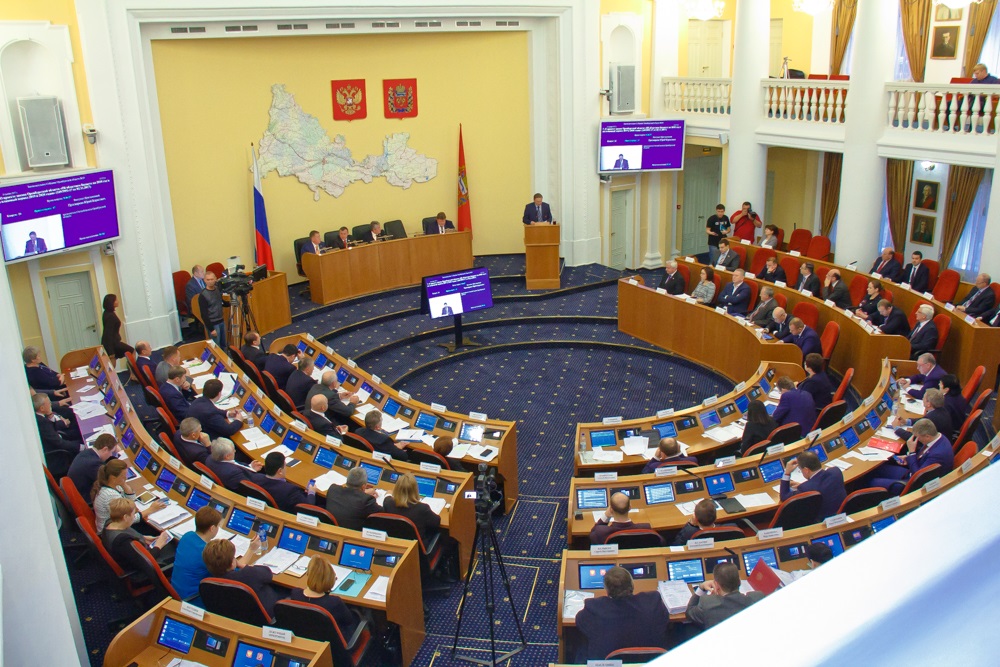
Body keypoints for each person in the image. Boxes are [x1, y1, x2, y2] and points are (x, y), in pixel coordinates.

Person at [574, 566, 669, 661]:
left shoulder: (594, 609)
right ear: (632, 584)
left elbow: (579, 620)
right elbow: (665, 617)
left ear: (607, 589)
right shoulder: (653, 602)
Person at [172, 507, 239, 604]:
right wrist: (251, 551)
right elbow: (233, 571)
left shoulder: (187, 536)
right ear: (212, 528)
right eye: (218, 526)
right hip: (193, 600)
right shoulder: (208, 553)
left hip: (175, 590)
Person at [202, 538, 283, 615]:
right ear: (232, 563)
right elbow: (268, 573)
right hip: (266, 614)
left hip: (233, 614)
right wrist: (241, 564)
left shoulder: (209, 581)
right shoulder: (248, 574)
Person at [868, 418, 953, 491]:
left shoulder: (937, 454)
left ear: (927, 436)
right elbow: (923, 456)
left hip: (912, 484)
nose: (916, 440)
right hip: (911, 471)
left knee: (872, 482)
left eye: (918, 437)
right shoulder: (938, 437)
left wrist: (912, 453)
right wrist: (908, 458)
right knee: (877, 469)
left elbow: (918, 477)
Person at [288, 557, 359, 636]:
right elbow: (349, 621)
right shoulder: (334, 602)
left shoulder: (295, 593)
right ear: (330, 580)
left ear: (308, 575)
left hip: (304, 636)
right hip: (333, 641)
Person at [92, 459, 166, 533]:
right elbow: (128, 519)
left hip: (116, 524)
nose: (126, 478)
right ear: (113, 478)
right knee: (153, 530)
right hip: (110, 532)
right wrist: (151, 509)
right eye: (123, 476)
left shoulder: (114, 484)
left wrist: (123, 483)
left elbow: (131, 500)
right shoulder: (110, 495)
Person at [686, 562, 764, 631]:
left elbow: (689, 612)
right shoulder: (758, 598)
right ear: (739, 581)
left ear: (717, 585)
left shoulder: (707, 603)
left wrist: (701, 587)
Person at [103, 498, 175, 571]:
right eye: (133, 514)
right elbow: (146, 562)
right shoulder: (123, 542)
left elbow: (127, 533)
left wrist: (142, 538)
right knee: (174, 547)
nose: (134, 517)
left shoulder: (110, 523)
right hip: (145, 568)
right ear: (125, 517)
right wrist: (158, 545)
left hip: (138, 553)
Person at [780, 450, 845, 520]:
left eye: (800, 469)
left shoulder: (805, 488)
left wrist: (787, 473)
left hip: (824, 521)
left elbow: (784, 497)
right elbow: (821, 483)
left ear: (806, 470)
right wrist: (804, 484)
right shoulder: (835, 471)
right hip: (843, 514)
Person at [381, 472, 441, 543]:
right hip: (416, 547)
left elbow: (387, 497)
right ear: (415, 490)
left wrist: (388, 493)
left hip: (395, 543)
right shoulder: (422, 508)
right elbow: (437, 522)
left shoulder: (388, 503)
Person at [33, 393, 81, 477]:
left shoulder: (40, 416)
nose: (51, 404)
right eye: (49, 403)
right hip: (59, 455)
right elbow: (59, 443)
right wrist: (81, 447)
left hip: (60, 439)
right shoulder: (42, 422)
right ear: (42, 408)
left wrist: (50, 414)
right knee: (80, 441)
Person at [589, 492, 656, 545]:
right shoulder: (646, 528)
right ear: (630, 507)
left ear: (611, 510)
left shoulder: (601, 532)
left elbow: (593, 534)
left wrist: (606, 516)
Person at [67, 433, 118, 498]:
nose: (111, 455)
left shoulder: (86, 452)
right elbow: (109, 482)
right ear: (105, 449)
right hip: (83, 497)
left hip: (75, 490)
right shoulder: (94, 464)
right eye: (111, 452)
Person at [101, 294, 134, 359]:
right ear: (112, 302)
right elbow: (108, 333)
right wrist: (110, 351)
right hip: (112, 343)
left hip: (113, 342)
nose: (118, 301)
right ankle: (132, 365)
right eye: (116, 300)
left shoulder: (107, 313)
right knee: (131, 350)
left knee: (114, 359)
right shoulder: (111, 316)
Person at [198, 272, 226, 348]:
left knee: (223, 344)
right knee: (216, 346)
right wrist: (211, 329)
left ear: (215, 279)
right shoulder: (203, 295)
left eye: (212, 279)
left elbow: (221, 302)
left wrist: (230, 303)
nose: (210, 281)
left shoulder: (217, 290)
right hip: (213, 324)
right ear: (204, 280)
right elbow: (204, 315)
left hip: (221, 321)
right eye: (208, 280)